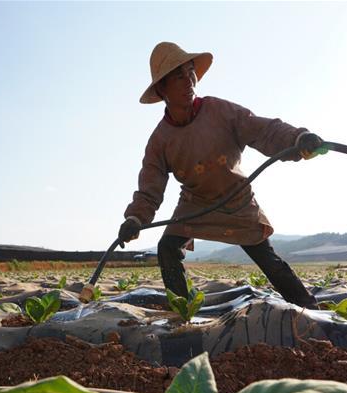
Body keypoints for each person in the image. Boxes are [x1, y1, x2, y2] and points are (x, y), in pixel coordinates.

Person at [118, 42, 324, 309]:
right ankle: (184, 312)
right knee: (167, 248)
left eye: (190, 72)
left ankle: (311, 310)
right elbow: (150, 186)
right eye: (178, 76)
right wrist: (135, 218)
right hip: (195, 204)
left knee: (268, 261)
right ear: (162, 89)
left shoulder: (220, 111)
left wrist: (298, 137)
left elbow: (263, 130)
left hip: (236, 199)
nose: (189, 80)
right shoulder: (160, 140)